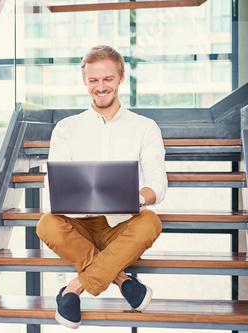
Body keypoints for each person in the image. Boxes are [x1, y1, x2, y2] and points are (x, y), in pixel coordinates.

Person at [36, 45, 168, 329]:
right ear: (85, 82)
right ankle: (121, 280)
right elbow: (53, 182)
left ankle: (72, 289)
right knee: (46, 224)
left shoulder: (145, 127)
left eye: (107, 79)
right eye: (93, 80)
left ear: (121, 77)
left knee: (150, 222)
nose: (101, 87)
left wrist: (137, 198)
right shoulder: (66, 128)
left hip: (122, 226)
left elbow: (158, 182)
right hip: (78, 226)